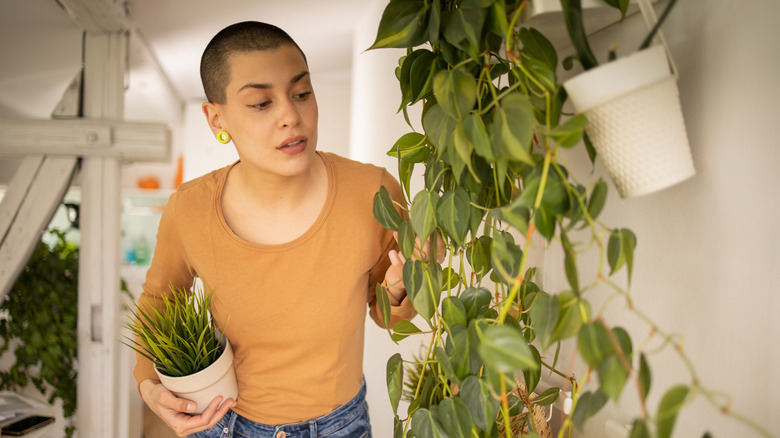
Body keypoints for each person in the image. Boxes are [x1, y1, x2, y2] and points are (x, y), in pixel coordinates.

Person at [133, 21, 443, 438]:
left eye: (301, 93)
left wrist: (402, 287)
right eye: (261, 103)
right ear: (216, 118)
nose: (291, 116)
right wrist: (149, 386)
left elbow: (388, 311)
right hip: (225, 425)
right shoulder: (189, 209)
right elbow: (158, 304)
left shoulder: (374, 191)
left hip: (341, 426)